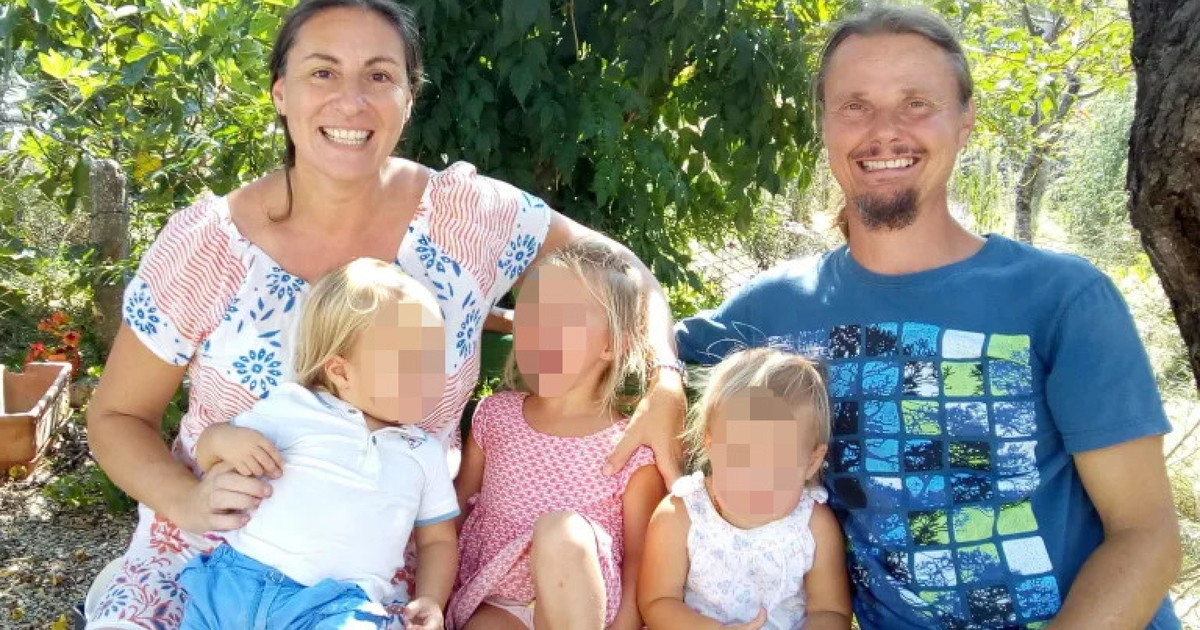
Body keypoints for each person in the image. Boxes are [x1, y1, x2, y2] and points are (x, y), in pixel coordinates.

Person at [85, 1, 686, 628]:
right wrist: (187, 499)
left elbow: (621, 268)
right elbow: (117, 417)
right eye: (322, 72)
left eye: (378, 75)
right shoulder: (207, 245)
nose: (351, 101)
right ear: (280, 92)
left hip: (382, 587)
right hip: (206, 565)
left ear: (408, 97)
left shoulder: (466, 219)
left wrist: (665, 381)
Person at [675, 5, 1181, 629]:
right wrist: (661, 383)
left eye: (916, 103)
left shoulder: (1063, 299)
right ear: (824, 125)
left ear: (966, 120)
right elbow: (627, 340)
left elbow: (1145, 535)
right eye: (855, 105)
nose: (884, 131)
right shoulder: (773, 310)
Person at [178, 259, 456, 630]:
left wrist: (433, 599)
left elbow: (437, 540)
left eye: (434, 359)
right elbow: (207, 452)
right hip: (237, 580)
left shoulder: (423, 452)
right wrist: (223, 439)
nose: (428, 376)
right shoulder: (293, 407)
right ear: (341, 371)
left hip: (334, 607)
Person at [447, 240, 666, 629]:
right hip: (497, 601)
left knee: (561, 532)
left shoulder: (630, 445)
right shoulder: (495, 416)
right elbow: (456, 514)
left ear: (613, 343)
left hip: (583, 609)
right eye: (530, 315)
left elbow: (640, 560)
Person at [639, 347, 852, 629]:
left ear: (811, 462)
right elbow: (658, 601)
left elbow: (830, 610)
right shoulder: (681, 515)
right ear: (711, 444)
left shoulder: (812, 524)